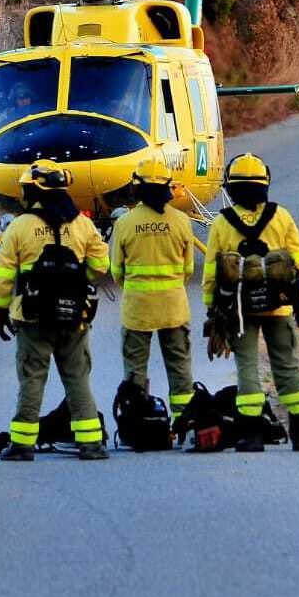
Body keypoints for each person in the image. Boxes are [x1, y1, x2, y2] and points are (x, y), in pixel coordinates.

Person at [0, 159, 111, 462]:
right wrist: (76, 281)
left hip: (32, 318)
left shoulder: (20, 227)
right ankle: (91, 444)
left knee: (32, 378)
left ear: (35, 191)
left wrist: (0, 312)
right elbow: (101, 265)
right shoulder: (82, 224)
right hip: (75, 317)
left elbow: (3, 277)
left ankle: (22, 444)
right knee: (77, 378)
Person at [201, 153, 299, 452]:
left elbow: (211, 271)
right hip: (280, 306)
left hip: (240, 311)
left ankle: (251, 436)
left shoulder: (222, 224)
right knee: (287, 367)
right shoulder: (282, 217)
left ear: (231, 187)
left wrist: (213, 309)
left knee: (247, 369)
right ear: (265, 184)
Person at [110, 157, 197, 427]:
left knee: (135, 370)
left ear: (136, 188)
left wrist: (135, 286)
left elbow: (116, 270)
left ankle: (139, 422)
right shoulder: (182, 221)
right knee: (180, 368)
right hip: (174, 308)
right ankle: (184, 424)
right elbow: (189, 268)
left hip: (138, 310)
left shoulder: (124, 223)